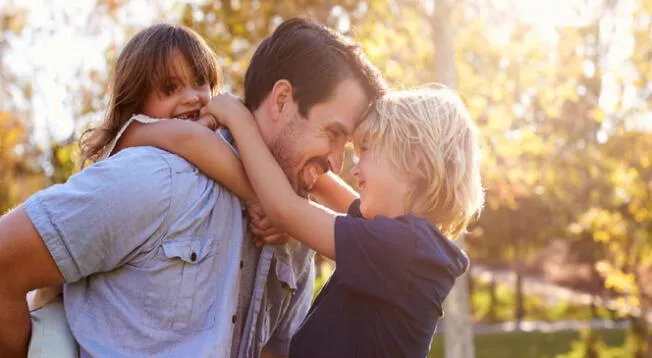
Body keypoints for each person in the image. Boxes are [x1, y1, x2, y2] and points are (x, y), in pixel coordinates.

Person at [0, 18, 386, 358]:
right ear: (282, 100)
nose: (337, 163)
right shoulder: (160, 178)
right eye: (332, 135)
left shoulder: (295, 230)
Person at [130, 87, 484, 357]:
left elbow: (284, 208)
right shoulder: (400, 240)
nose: (355, 167)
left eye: (368, 150)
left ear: (416, 160)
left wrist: (240, 120)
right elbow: (327, 188)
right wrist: (290, 147)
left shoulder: (403, 250)